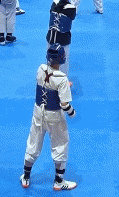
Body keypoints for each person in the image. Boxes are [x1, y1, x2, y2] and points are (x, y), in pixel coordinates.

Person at [20, 44, 77, 191]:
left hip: (38, 112)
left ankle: (26, 176)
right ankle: (58, 181)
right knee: (60, 144)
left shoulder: (40, 69)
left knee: (33, 142)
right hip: (55, 115)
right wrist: (72, 112)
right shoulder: (62, 78)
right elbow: (64, 104)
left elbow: (46, 83)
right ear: (62, 59)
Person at [46, 0, 77, 77]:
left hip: (51, 37)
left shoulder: (54, 3)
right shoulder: (71, 8)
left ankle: (48, 78)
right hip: (63, 39)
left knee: (50, 59)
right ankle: (63, 80)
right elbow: (72, 17)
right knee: (63, 61)